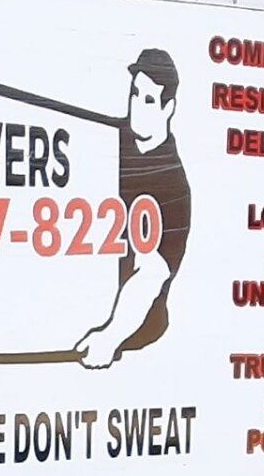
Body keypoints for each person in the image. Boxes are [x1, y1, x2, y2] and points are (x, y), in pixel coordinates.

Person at [76, 49, 191, 366]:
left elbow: (152, 272)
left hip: (135, 333)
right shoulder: (107, 140)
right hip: (76, 314)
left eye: (149, 100)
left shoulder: (173, 186)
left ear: (169, 108)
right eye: (135, 94)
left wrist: (111, 336)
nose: (137, 107)